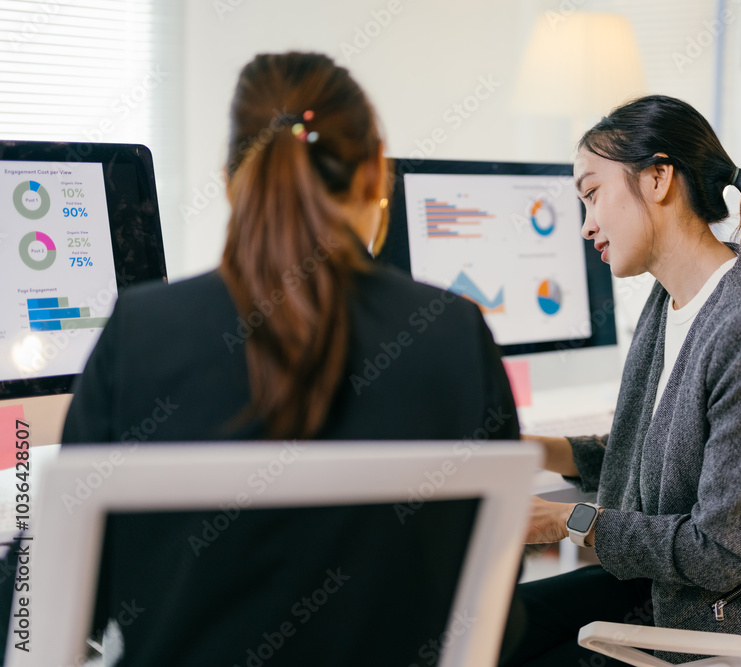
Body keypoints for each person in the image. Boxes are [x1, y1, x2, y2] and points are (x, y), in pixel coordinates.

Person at [61, 52, 520, 665]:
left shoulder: (142, 333)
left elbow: (56, 595)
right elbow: (493, 600)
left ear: (229, 180)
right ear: (374, 174)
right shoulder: (454, 336)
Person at [504, 95, 741, 666]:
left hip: (723, 625)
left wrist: (565, 519)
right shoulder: (673, 298)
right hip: (668, 594)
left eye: (591, 193)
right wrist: (532, 448)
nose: (586, 225)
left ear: (658, 178)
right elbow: (652, 461)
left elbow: (723, 552)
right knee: (486, 629)